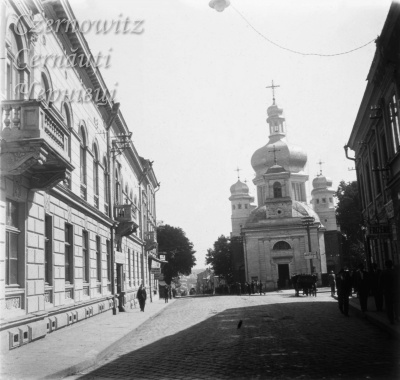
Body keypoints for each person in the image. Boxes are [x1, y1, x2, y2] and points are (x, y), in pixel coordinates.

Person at [379, 260, 399, 324]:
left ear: (385, 265)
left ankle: (391, 319)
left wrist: (381, 290)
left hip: (387, 291)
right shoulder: (395, 272)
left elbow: (380, 283)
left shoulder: (383, 272)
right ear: (391, 264)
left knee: (389, 306)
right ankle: (397, 317)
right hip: (395, 291)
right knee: (397, 305)